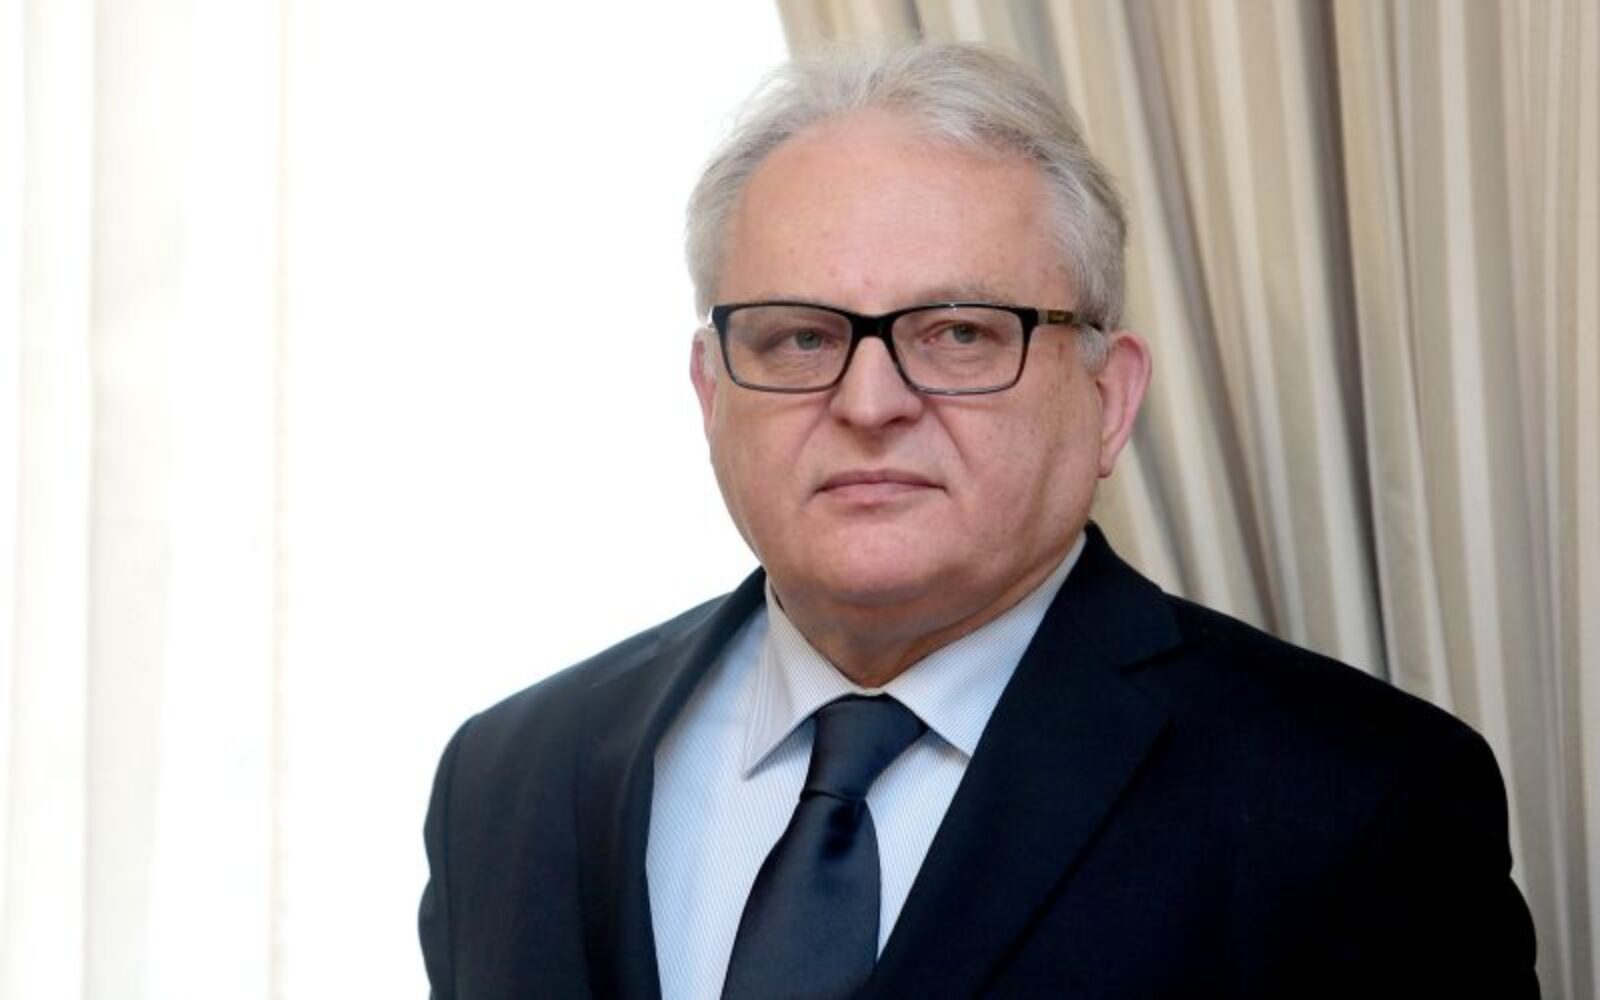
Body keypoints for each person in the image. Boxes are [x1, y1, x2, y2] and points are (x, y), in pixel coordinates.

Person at [418, 43, 1538, 999]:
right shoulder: (508, 778)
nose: (868, 403)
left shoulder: (1356, 801)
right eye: (799, 337)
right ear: (712, 392)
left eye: (959, 333)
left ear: (1108, 399)